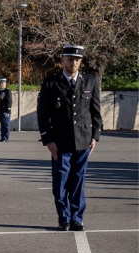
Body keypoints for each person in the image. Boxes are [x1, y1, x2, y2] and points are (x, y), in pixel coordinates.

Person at [37, 45, 101, 232]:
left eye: (77, 60)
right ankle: (63, 218)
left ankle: (76, 218)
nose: (74, 63)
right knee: (60, 182)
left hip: (83, 141)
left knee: (78, 181)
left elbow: (95, 113)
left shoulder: (90, 81)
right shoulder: (50, 83)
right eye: (70, 59)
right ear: (62, 60)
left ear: (81, 61)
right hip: (60, 143)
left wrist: (95, 136)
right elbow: (43, 114)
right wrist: (48, 139)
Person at [0, 78, 12, 142]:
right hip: (1, 110)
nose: (1, 84)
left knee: (6, 125)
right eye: (0, 83)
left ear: (5, 84)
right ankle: (2, 137)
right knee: (2, 125)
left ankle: (5, 138)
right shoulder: (0, 91)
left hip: (5, 111)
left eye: (2, 83)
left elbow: (9, 101)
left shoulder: (7, 91)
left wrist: (8, 110)